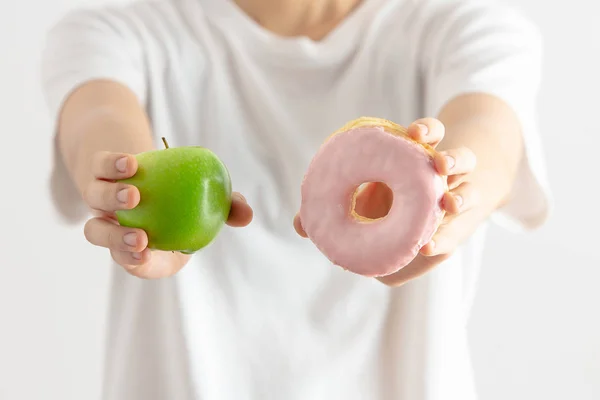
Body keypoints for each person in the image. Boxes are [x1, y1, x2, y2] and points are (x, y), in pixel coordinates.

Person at [41, 0, 551, 398]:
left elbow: (488, 134)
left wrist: (454, 197)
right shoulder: (111, 35)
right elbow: (98, 120)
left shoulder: (465, 30)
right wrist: (127, 186)